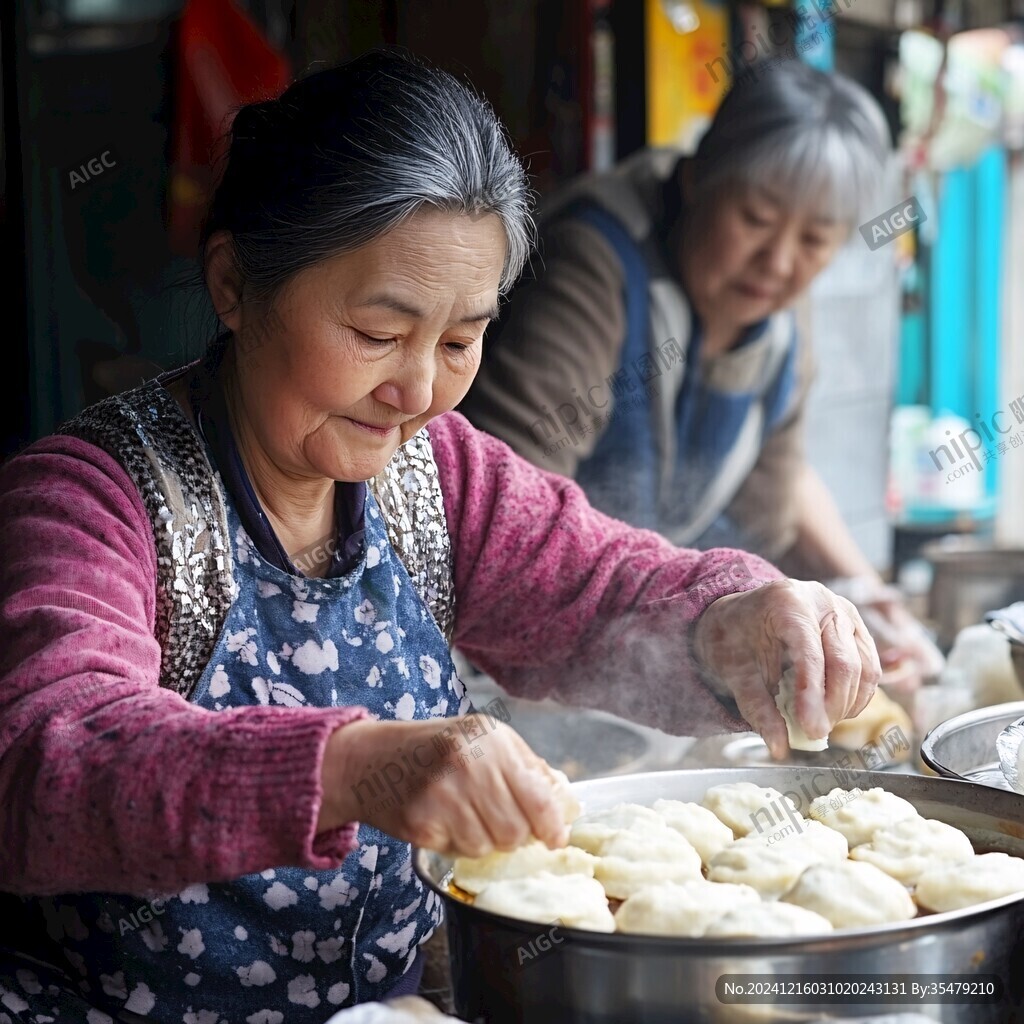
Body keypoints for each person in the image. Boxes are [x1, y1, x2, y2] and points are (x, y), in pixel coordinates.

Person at [0, 51, 880, 1022]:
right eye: (379, 332)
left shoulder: (441, 471)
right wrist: (355, 764)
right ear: (235, 284)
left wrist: (735, 616)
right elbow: (47, 760)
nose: (418, 390)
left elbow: (600, 591)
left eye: (461, 339)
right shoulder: (88, 496)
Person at [460, 58, 943, 692]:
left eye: (815, 239)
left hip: (653, 649)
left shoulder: (777, 306)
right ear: (696, 180)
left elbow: (779, 487)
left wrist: (869, 606)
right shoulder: (594, 265)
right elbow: (510, 511)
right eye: (756, 220)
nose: (778, 262)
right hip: (526, 647)